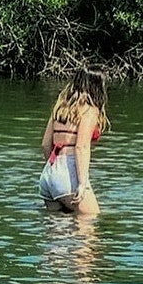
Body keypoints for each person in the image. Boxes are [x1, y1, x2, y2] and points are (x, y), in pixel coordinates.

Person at [39, 67, 109, 216]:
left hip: (49, 173)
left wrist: (54, 170)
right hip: (68, 175)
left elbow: (45, 144)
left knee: (58, 235)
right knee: (90, 223)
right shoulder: (89, 111)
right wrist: (82, 184)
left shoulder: (60, 107)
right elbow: (81, 147)